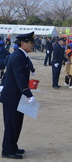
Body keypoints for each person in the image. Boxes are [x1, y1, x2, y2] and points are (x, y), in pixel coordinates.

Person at [0, 31, 35, 159]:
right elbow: (19, 77)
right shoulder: (18, 56)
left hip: (16, 96)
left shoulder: (21, 55)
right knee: (11, 124)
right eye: (30, 43)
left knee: (16, 123)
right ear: (23, 43)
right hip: (12, 96)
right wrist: (28, 93)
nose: (32, 45)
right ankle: (8, 150)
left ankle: (13, 146)